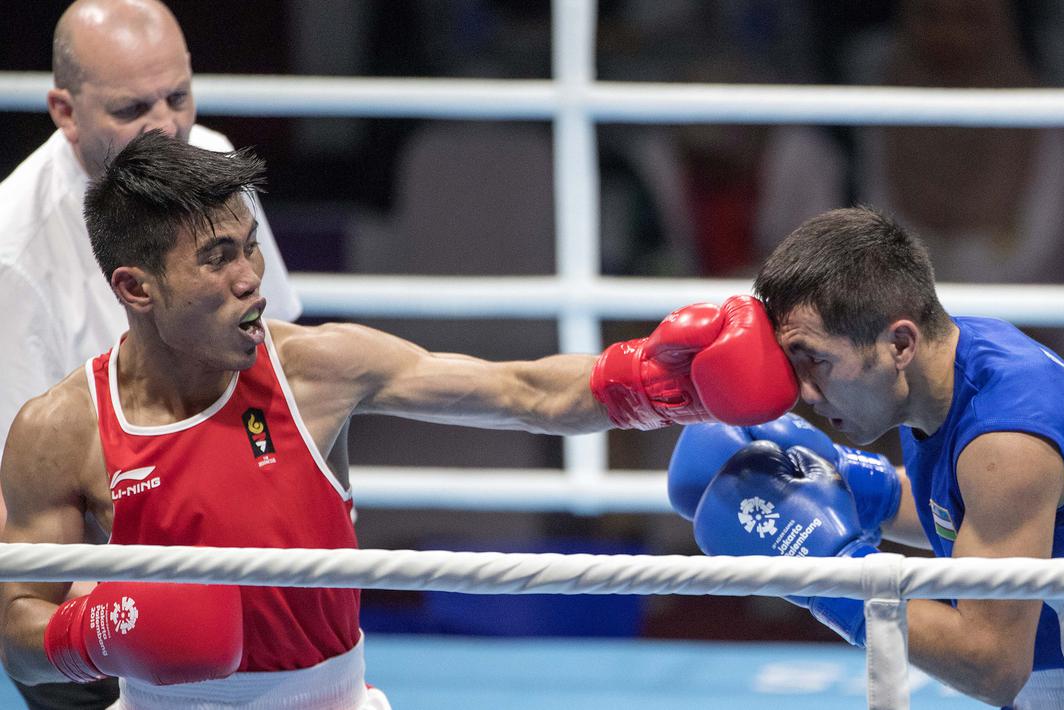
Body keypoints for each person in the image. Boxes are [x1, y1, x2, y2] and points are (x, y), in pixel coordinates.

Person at [0, 130, 797, 709]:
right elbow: (18, 635)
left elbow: (521, 391)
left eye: (250, 246)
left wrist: (652, 384)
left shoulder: (313, 368)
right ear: (136, 288)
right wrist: (97, 633)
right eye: (217, 258)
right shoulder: (59, 430)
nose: (251, 279)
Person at [669, 207, 1064, 708]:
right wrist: (851, 483)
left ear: (900, 344)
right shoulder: (958, 359)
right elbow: (968, 516)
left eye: (817, 361)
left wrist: (828, 571)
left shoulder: (1006, 443)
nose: (805, 392)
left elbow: (991, 665)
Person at [0, 0, 302, 514]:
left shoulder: (212, 159)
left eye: (178, 98)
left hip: (242, 483)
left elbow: (282, 366)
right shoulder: (14, 253)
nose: (166, 127)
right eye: (132, 109)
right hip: (111, 532)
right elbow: (18, 492)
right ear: (66, 112)